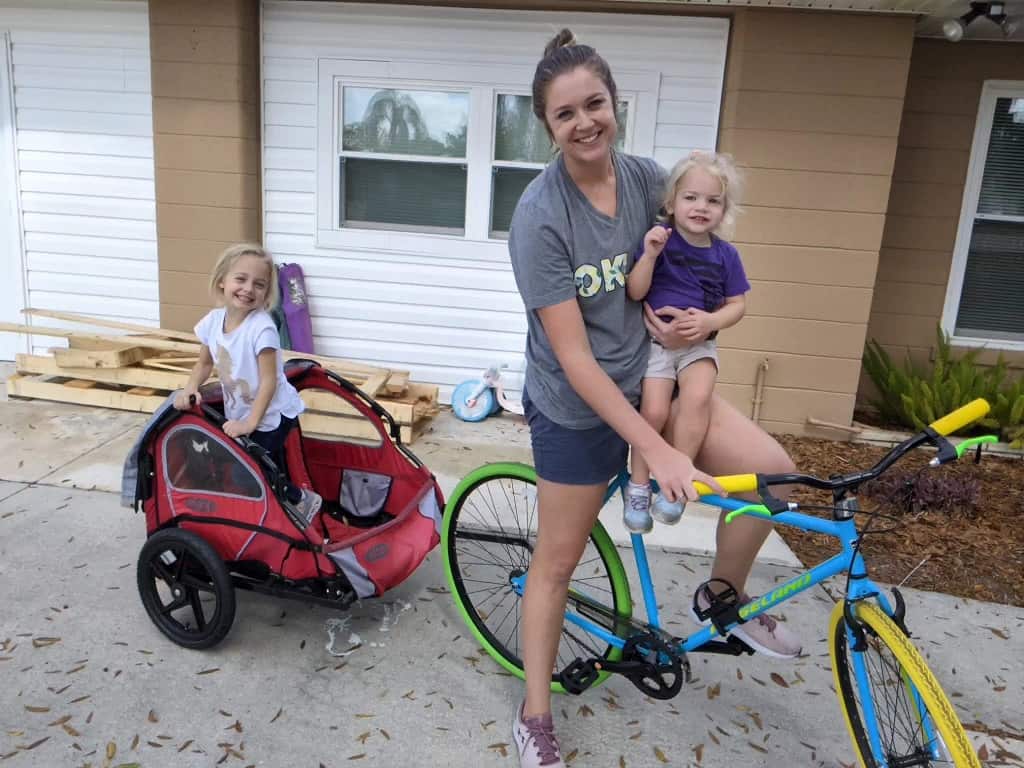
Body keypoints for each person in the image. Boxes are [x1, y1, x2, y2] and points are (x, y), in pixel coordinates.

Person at [507, 29, 800, 768]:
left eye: (594, 104)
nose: (584, 124)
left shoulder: (646, 182)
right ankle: (535, 715)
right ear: (547, 125)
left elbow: (707, 231)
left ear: (616, 103)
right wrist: (656, 444)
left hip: (654, 374)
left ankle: (720, 601)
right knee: (557, 563)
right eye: (565, 114)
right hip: (576, 405)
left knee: (775, 478)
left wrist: (700, 319)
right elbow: (574, 359)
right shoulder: (540, 218)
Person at [622, 151, 749, 534]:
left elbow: (738, 305)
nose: (700, 207)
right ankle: (640, 486)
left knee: (697, 398)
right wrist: (649, 255)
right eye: (691, 197)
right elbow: (634, 291)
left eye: (713, 200)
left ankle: (676, 487)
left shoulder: (726, 255)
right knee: (654, 412)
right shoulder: (661, 241)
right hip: (657, 346)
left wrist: (711, 321)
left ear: (724, 209)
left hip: (699, 346)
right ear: (671, 202)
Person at [173, 243, 322, 526]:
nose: (248, 289)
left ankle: (299, 500)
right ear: (222, 281)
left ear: (266, 294)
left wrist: (249, 423)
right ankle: (278, 507)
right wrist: (190, 386)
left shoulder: (261, 328)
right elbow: (205, 363)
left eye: (259, 284)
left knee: (249, 471)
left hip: (273, 414)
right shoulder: (212, 322)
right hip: (243, 411)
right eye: (240, 279)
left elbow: (268, 382)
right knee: (267, 466)